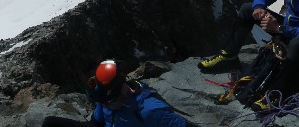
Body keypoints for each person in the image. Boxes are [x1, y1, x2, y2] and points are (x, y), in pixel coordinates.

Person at [40, 60, 195, 127]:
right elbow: (95, 124)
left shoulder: (149, 110)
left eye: (108, 103)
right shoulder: (106, 101)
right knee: (49, 123)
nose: (104, 106)